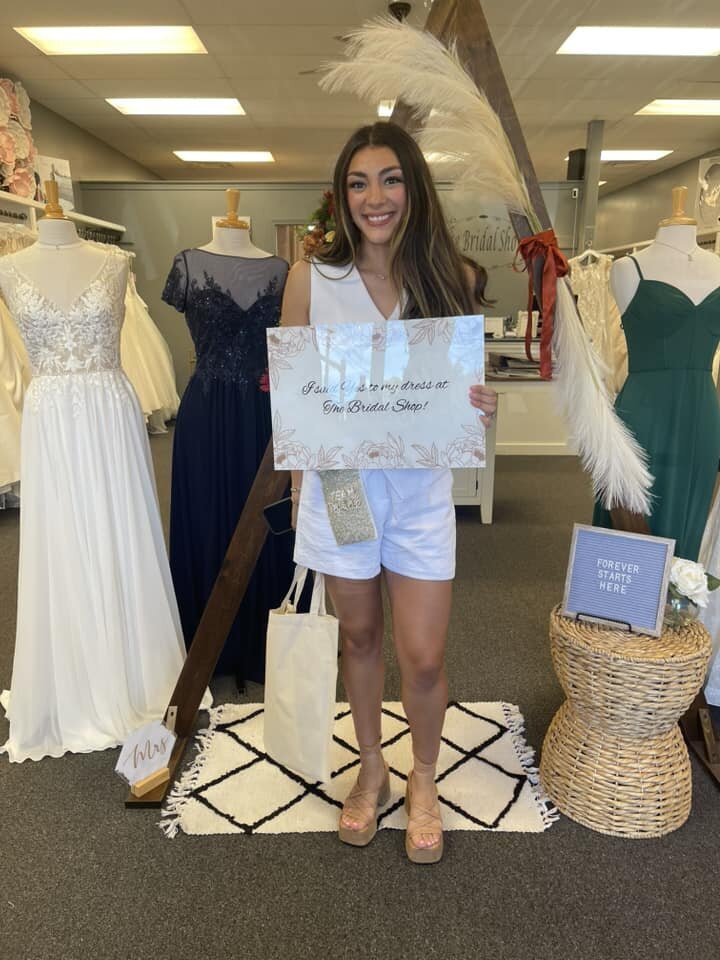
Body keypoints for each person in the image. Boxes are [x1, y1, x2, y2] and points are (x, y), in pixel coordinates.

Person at [280, 121, 497, 864]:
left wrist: (478, 404)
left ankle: (424, 775)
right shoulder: (313, 280)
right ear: (342, 196)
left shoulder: (452, 278)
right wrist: (300, 482)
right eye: (358, 183)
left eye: (391, 179)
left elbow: (460, 388)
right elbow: (295, 395)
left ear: (414, 188)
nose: (375, 197)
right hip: (342, 485)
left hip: (420, 489)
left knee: (424, 655)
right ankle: (371, 767)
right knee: (362, 635)